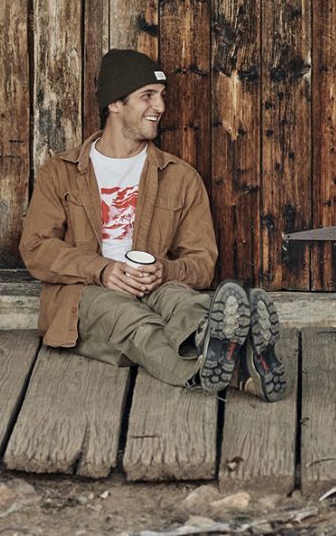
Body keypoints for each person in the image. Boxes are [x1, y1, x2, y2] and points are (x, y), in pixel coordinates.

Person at [19, 49, 286, 399]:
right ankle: (241, 366)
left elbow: (203, 263)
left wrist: (165, 271)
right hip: (85, 293)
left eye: (161, 97)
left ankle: (216, 342)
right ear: (115, 103)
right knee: (129, 319)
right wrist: (101, 270)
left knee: (188, 306)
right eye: (147, 96)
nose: (159, 107)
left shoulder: (180, 177)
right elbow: (36, 248)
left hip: (156, 288)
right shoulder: (62, 171)